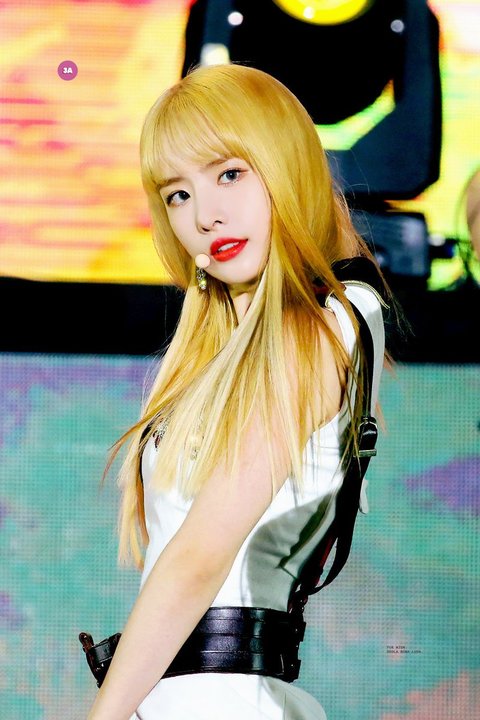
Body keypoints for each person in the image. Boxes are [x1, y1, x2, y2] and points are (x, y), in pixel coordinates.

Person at [86, 61, 394, 720]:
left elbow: (200, 557)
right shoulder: (237, 344)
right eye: (178, 194)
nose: (205, 215)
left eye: (229, 174)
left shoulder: (318, 325)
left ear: (287, 165)